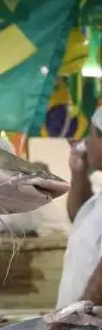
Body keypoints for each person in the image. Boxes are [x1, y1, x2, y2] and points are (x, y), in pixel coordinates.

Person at [56, 107, 102, 307]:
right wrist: (78, 174)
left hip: (88, 329)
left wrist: (72, 324)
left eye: (90, 135)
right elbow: (79, 216)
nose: (87, 142)